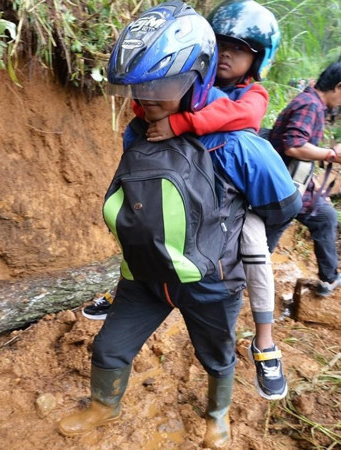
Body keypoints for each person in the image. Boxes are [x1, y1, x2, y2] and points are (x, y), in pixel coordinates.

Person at [58, 2, 300, 448]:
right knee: (109, 347)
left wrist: (243, 250)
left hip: (211, 282)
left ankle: (216, 416)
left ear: (198, 77)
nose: (147, 97)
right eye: (139, 87)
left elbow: (284, 204)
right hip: (144, 276)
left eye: (162, 84)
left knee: (216, 356)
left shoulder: (238, 145)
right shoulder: (139, 129)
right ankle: (103, 405)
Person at [267, 61, 341, 297]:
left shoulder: (311, 104)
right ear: (339, 87)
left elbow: (302, 158)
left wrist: (318, 190)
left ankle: (328, 278)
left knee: (323, 215)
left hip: (287, 182)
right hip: (280, 186)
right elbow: (294, 146)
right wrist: (332, 154)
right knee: (267, 239)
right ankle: (235, 278)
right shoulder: (310, 106)